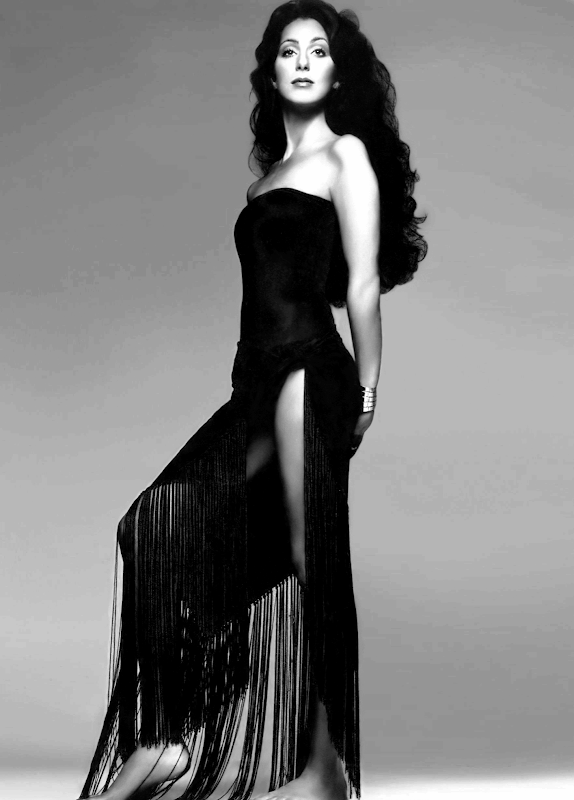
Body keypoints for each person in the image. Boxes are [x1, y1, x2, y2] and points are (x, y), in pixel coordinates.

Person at [76, 2, 427, 799]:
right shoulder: (266, 179)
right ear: (270, 74)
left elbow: (361, 285)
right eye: (288, 51)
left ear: (337, 73)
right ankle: (170, 735)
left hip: (310, 373)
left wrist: (369, 391)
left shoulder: (344, 157)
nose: (302, 61)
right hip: (255, 383)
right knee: (152, 524)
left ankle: (325, 769)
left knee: (308, 554)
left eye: (318, 50)